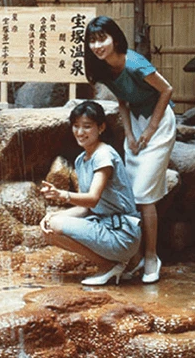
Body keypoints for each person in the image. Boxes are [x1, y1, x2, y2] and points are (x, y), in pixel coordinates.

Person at [83, 15, 175, 283]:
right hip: (136, 121)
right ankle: (131, 257)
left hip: (159, 121)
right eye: (92, 41)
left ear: (115, 38)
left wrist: (150, 129)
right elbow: (122, 100)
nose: (97, 46)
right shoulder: (103, 68)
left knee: (144, 193)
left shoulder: (134, 63)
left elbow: (167, 90)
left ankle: (150, 256)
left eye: (102, 39)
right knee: (130, 193)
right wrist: (130, 134)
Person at [40, 100, 142, 286]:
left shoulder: (104, 155)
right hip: (104, 225)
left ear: (101, 127)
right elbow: (85, 208)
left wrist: (62, 195)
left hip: (122, 233)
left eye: (87, 127)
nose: (80, 132)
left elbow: (93, 199)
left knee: (55, 225)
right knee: (49, 227)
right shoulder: (81, 160)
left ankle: (109, 266)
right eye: (76, 126)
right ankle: (116, 264)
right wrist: (52, 214)